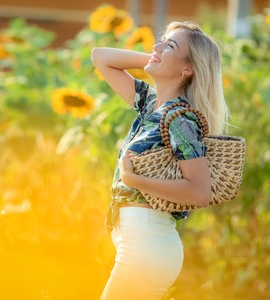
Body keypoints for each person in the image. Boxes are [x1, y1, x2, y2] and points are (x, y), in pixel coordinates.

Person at [91, 21, 228, 300]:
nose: (157, 46)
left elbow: (200, 191)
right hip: (140, 241)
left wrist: (133, 180)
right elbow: (100, 57)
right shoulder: (149, 104)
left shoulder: (180, 118)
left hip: (148, 241)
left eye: (170, 45)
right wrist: (160, 58)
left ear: (188, 68)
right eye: (161, 41)